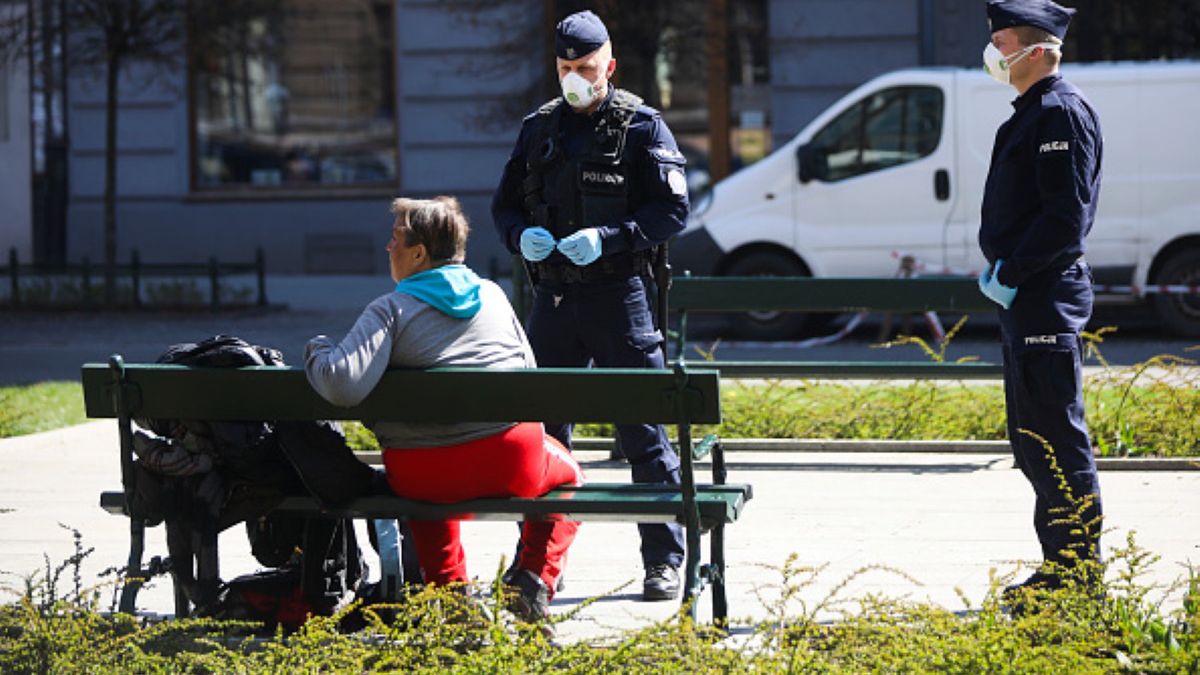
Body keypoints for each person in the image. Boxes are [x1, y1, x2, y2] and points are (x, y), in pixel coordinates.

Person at [304, 196, 583, 622]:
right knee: (571, 477)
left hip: (423, 474)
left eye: (395, 239)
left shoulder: (390, 310)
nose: (387, 248)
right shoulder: (493, 295)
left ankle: (454, 599)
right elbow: (530, 376)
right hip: (511, 463)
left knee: (427, 485)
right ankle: (534, 578)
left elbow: (342, 383)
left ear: (419, 253)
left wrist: (318, 348)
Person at [491, 10, 690, 601]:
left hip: (618, 298)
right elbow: (505, 205)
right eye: (564, 69)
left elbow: (671, 212)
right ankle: (539, 569)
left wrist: (610, 237)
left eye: (584, 67)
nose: (574, 78)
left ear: (609, 66)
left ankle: (663, 560)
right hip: (553, 299)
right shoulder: (539, 128)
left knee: (644, 436)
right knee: (544, 442)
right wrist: (516, 234)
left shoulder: (642, 127)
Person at [976, 0, 1104, 598]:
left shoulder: (1059, 114)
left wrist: (1012, 268)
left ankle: (1079, 578)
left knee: (1057, 438)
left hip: (1044, 294)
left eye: (1002, 41)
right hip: (1026, 297)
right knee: (1032, 440)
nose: (995, 53)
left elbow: (1064, 221)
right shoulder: (1031, 114)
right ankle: (1059, 567)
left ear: (1039, 49)